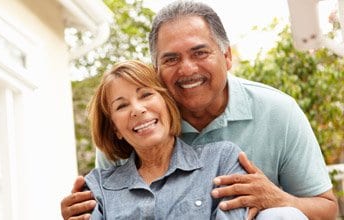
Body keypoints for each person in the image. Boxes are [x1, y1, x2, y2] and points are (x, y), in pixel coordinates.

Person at [61, 1, 338, 219]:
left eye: (200, 53)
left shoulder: (277, 112)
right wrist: (82, 211)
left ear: (227, 56)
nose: (187, 69)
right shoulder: (138, 127)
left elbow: (327, 209)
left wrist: (278, 198)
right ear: (156, 70)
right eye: (171, 59)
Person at [81, 60, 306, 219]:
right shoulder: (97, 187)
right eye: (122, 105)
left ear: (167, 104)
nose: (137, 110)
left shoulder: (223, 160)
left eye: (146, 94)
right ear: (115, 129)